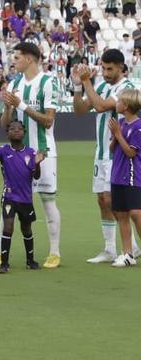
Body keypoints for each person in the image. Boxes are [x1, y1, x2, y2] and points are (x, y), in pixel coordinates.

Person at [0, 41, 61, 268]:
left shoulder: (48, 81)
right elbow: (5, 125)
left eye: (17, 57)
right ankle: (0, 252)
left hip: (43, 152)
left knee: (47, 201)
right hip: (17, 155)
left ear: (30, 58)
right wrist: (8, 107)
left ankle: (54, 252)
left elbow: (48, 120)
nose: (13, 62)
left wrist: (22, 105)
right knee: (9, 202)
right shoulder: (15, 83)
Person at [71, 49, 129, 264]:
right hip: (101, 152)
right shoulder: (102, 86)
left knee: (112, 199)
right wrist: (78, 85)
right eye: (103, 68)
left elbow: (101, 106)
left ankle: (130, 247)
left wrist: (87, 82)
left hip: (119, 151)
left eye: (109, 69)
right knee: (101, 200)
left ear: (121, 68)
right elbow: (79, 110)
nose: (105, 73)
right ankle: (110, 249)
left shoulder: (127, 87)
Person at [0, 119, 43, 273]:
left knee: (26, 229)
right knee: (8, 227)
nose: (16, 130)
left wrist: (38, 163)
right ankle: (4, 263)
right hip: (9, 197)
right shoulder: (4, 150)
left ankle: (30, 260)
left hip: (26, 199)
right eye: (12, 129)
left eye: (19, 129)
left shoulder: (31, 152)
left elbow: (36, 176)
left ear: (24, 133)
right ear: (7, 133)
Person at [107, 89, 141, 267]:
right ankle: (128, 253)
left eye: (119, 101)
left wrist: (118, 134)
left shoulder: (138, 127)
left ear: (126, 105)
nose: (116, 103)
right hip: (117, 175)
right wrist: (114, 135)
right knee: (121, 214)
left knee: (136, 213)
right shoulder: (120, 123)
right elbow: (113, 149)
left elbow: (130, 152)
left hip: (132, 176)